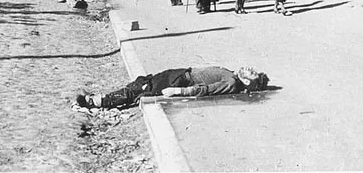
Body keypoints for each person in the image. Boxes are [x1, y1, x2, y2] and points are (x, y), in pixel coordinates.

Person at [75, 66, 270, 109]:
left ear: (248, 83)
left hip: (179, 82)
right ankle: (100, 98)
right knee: (140, 83)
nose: (250, 69)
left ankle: (96, 101)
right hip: (178, 75)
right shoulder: (232, 74)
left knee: (140, 89)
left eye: (253, 74)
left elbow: (204, 90)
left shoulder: (231, 82)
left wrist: (178, 92)